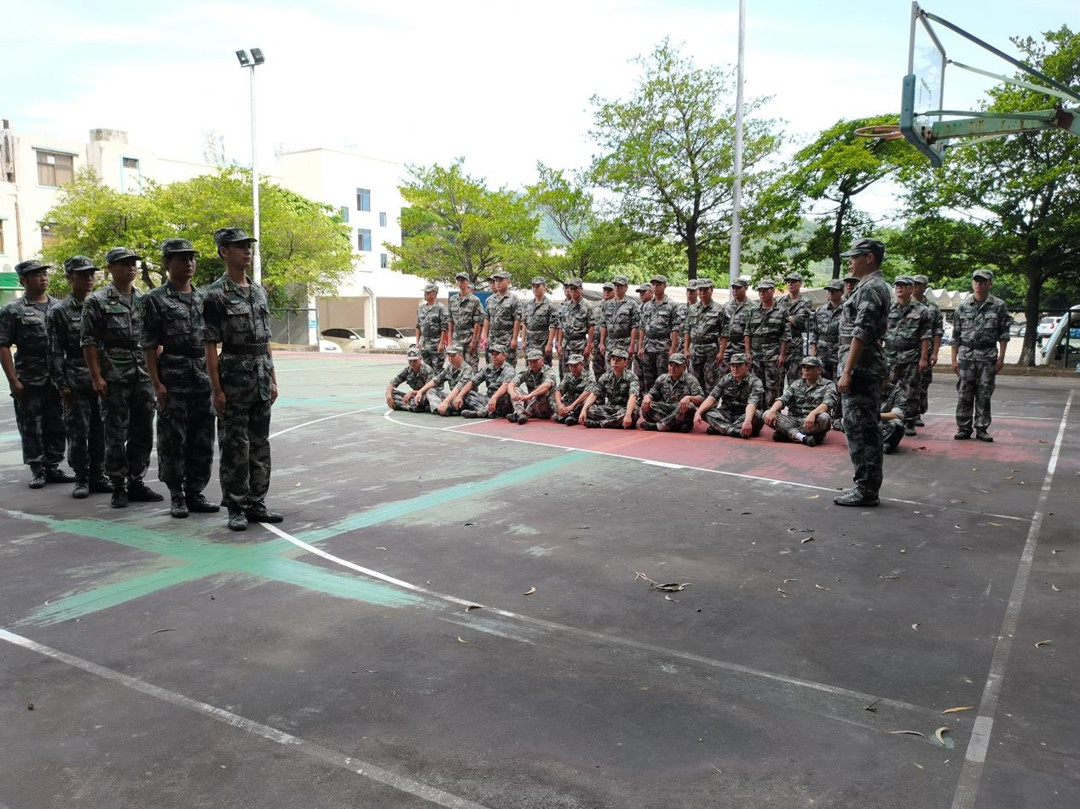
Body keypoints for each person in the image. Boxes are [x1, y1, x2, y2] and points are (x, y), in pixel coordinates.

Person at [203, 228, 281, 531]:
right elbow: (210, 345)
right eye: (239, 246)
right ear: (224, 252)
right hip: (233, 378)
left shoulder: (258, 291)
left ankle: (256, 502)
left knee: (260, 445)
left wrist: (273, 378)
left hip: (260, 376)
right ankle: (236, 506)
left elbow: (266, 340)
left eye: (248, 245)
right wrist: (216, 389)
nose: (247, 251)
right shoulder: (215, 294)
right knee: (235, 446)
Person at [141, 239, 219, 519]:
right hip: (173, 378)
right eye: (181, 258)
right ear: (167, 263)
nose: (189, 263)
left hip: (202, 377)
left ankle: (195, 492)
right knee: (173, 440)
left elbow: (211, 342)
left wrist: (215, 382)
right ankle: (176, 493)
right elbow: (149, 345)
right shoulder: (154, 299)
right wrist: (157, 384)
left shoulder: (204, 298)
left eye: (191, 258)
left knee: (203, 438)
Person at [82, 247, 162, 508]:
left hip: (143, 375)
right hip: (114, 375)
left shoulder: (145, 300)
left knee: (143, 431)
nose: (131, 267)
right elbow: (89, 342)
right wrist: (96, 377)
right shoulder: (97, 301)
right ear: (110, 268)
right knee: (115, 432)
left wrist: (156, 371)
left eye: (133, 263)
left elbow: (155, 337)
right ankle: (118, 485)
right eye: (124, 263)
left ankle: (136, 481)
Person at [0, 259, 72, 489]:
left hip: (57, 376)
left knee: (58, 423)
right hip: (29, 377)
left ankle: (53, 466)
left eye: (45, 274)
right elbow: (3, 345)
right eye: (36, 275)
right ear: (24, 280)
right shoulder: (12, 310)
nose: (43, 278)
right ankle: (37, 468)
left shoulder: (59, 307)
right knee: (31, 424)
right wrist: (13, 380)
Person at [833, 238, 892, 507]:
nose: (850, 262)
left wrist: (847, 371)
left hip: (862, 369)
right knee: (860, 426)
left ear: (869, 258)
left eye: (854, 257)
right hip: (862, 366)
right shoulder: (868, 286)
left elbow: (862, 332)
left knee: (862, 429)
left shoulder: (871, 288)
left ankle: (867, 489)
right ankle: (865, 485)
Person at [47, 257, 111, 498]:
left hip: (103, 376)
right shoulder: (59, 311)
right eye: (83, 274)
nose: (89, 279)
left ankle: (98, 475)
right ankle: (81, 478)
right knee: (78, 430)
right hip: (75, 377)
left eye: (91, 274)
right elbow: (54, 350)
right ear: (69, 277)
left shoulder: (102, 305)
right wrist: (61, 383)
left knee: (100, 429)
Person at [951, 269, 1011, 442]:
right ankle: (964, 427)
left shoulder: (999, 306)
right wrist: (954, 359)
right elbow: (955, 336)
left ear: (990, 284)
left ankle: (982, 428)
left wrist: (1001, 359)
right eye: (976, 280)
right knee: (964, 393)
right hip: (966, 357)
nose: (978, 283)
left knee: (984, 394)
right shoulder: (962, 306)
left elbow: (1004, 335)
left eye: (983, 281)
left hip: (987, 356)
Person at [884, 276, 930, 437]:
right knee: (886, 389)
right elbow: (879, 332)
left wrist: (923, 358)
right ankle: (887, 418)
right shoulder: (887, 308)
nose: (899, 288)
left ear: (911, 289)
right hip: (889, 356)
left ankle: (910, 421)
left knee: (911, 391)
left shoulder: (922, 310)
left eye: (903, 285)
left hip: (911, 356)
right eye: (897, 285)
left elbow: (925, 336)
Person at [762, 356, 837, 446]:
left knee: (825, 418)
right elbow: (783, 399)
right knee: (767, 414)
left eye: (810, 367)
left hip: (813, 421)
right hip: (793, 420)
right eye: (804, 367)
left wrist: (813, 414)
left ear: (819, 370)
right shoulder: (796, 384)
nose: (806, 370)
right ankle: (802, 437)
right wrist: (773, 410)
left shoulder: (828, 384)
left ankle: (787, 433)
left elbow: (827, 403)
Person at [694, 352, 765, 438]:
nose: (735, 368)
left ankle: (721, 428)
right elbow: (712, 398)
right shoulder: (726, 379)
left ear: (747, 366)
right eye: (732, 365)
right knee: (705, 411)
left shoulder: (755, 382)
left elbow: (752, 404)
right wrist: (698, 412)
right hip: (727, 415)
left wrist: (747, 420)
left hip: (744, 416)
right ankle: (733, 431)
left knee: (756, 414)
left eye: (739, 365)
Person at [744, 280, 790, 406]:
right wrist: (747, 352)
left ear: (772, 291)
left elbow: (785, 335)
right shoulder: (753, 310)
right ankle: (757, 410)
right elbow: (747, 332)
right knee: (756, 383)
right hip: (755, 353)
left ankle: (771, 411)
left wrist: (782, 355)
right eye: (760, 291)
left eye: (765, 290)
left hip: (773, 352)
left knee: (773, 383)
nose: (762, 293)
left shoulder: (781, 311)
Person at [638, 353, 704, 432]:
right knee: (646, 405)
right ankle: (675, 426)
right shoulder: (662, 378)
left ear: (684, 367)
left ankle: (658, 426)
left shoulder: (691, 380)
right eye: (670, 365)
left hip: (680, 411)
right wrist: (647, 397)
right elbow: (653, 393)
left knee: (690, 406)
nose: (672, 368)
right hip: (667, 410)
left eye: (676, 366)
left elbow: (701, 398)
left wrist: (689, 398)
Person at [637, 274, 680, 393]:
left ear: (665, 286)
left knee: (663, 378)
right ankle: (649, 400)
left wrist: (673, 348)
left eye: (658, 284)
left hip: (663, 346)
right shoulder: (646, 306)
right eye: (653, 284)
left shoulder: (672, 305)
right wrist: (640, 346)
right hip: (648, 346)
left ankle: (663, 400)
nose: (655, 287)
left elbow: (675, 328)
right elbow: (642, 327)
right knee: (648, 377)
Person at [911, 274, 944, 427]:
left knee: (922, 384)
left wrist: (935, 353)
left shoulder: (932, 308)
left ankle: (917, 413)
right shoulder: (904, 303)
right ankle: (903, 413)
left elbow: (937, 331)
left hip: (925, 351)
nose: (915, 287)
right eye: (913, 284)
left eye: (919, 284)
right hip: (905, 351)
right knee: (902, 385)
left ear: (925, 287)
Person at [682, 277, 725, 392]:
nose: (703, 293)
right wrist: (686, 349)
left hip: (711, 351)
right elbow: (687, 330)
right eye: (700, 290)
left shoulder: (719, 309)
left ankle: (710, 403)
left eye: (706, 290)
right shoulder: (692, 309)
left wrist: (721, 352)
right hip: (695, 350)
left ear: (711, 290)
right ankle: (696, 402)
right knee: (694, 381)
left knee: (711, 381)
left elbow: (725, 333)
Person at [579, 347, 639, 429]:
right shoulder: (605, 376)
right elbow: (594, 394)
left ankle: (600, 424)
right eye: (613, 359)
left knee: (634, 413)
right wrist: (584, 410)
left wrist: (628, 415)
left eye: (618, 360)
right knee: (590, 409)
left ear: (625, 362)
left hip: (625, 408)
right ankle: (616, 422)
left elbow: (633, 396)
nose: (615, 362)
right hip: (610, 408)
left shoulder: (632, 377)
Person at [453, 343, 515, 418]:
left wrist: (494, 398)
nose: (493, 356)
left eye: (497, 354)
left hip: (501, 400)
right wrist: (459, 396)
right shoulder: (487, 368)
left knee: (505, 395)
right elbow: (472, 383)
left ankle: (480, 413)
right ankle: (487, 412)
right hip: (489, 399)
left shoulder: (509, 369)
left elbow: (505, 385)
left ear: (504, 355)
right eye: (492, 354)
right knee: (466, 393)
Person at [556, 278, 594, 378]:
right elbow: (561, 326)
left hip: (579, 345)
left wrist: (589, 346)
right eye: (570, 288)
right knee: (565, 374)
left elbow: (591, 326)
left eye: (575, 288)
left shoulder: (587, 306)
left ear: (581, 289)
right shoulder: (565, 306)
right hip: (566, 345)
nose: (572, 291)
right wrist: (559, 344)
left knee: (582, 374)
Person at [778, 272, 812, 383]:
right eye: (788, 282)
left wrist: (782, 318)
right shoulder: (780, 301)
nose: (790, 284)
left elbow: (799, 320)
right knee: (777, 381)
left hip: (795, 347)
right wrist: (788, 318)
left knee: (795, 381)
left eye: (793, 282)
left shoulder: (806, 301)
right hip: (780, 346)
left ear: (800, 283)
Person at [482, 271, 521, 366]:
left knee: (508, 367)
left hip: (507, 340)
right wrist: (484, 336)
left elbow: (517, 319)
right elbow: (487, 318)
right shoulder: (490, 300)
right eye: (496, 281)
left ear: (508, 282)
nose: (498, 283)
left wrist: (514, 339)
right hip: (493, 340)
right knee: (491, 368)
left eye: (501, 280)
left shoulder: (514, 299)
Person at [447, 272, 484, 373]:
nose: (460, 282)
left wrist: (474, 341)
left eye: (463, 280)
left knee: (471, 365)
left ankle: (471, 384)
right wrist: (450, 339)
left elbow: (477, 322)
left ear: (467, 282)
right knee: (456, 366)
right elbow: (450, 320)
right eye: (458, 280)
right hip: (456, 339)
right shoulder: (452, 299)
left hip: (469, 338)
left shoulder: (474, 300)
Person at [417, 345, 469, 415]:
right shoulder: (450, 367)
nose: (450, 358)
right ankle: (439, 409)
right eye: (449, 356)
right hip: (452, 397)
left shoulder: (467, 369)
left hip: (463, 399)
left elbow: (458, 388)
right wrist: (420, 391)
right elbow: (436, 380)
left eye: (453, 356)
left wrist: (445, 402)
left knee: (426, 404)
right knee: (430, 391)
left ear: (461, 355)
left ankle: (441, 408)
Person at [508, 348, 557, 423]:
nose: (532, 364)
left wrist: (529, 396)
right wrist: (513, 393)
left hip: (544, 407)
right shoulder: (527, 371)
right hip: (531, 404)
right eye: (530, 362)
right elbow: (512, 383)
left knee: (543, 392)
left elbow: (546, 386)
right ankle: (519, 413)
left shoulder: (549, 371)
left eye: (535, 361)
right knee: (515, 389)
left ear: (542, 360)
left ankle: (524, 414)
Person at [600, 275, 640, 364]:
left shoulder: (632, 304)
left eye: (620, 285)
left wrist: (632, 345)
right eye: (615, 285)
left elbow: (635, 326)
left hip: (624, 343)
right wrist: (602, 343)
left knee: (624, 369)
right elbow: (603, 325)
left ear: (626, 288)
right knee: (610, 369)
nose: (617, 288)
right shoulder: (607, 304)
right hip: (610, 343)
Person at [810, 280, 844, 381]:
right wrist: (813, 351)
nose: (831, 293)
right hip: (822, 354)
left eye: (834, 290)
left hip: (839, 353)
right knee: (822, 383)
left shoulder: (847, 310)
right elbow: (815, 332)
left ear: (841, 292)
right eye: (829, 290)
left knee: (839, 383)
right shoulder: (820, 310)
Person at [718, 276, 752, 376]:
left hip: (742, 349)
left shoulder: (753, 307)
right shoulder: (725, 307)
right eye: (733, 288)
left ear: (746, 288)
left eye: (738, 288)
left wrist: (748, 351)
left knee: (742, 377)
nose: (735, 290)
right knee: (724, 377)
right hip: (727, 349)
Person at [521, 277, 557, 366]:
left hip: (543, 343)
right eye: (533, 286)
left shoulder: (550, 306)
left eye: (538, 286)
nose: (535, 288)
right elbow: (525, 323)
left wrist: (549, 344)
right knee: (530, 367)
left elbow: (553, 326)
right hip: (530, 343)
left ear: (544, 287)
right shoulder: (527, 305)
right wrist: (523, 340)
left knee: (544, 367)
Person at [385, 347, 434, 411]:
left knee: (424, 398)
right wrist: (389, 397)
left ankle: (408, 406)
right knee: (391, 393)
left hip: (425, 396)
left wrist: (412, 392)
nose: (412, 363)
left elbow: (429, 390)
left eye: (415, 360)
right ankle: (410, 407)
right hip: (413, 397)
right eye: (410, 361)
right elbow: (392, 383)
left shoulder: (428, 370)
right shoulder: (407, 370)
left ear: (420, 359)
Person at [415, 283, 448, 373]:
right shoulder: (420, 308)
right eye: (425, 292)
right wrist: (417, 342)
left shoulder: (441, 308)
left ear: (434, 294)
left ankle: (437, 383)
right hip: (424, 345)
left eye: (427, 292)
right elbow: (418, 326)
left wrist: (441, 343)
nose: (425, 294)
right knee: (426, 370)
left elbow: (444, 327)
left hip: (436, 344)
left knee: (437, 371)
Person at [554, 353, 594, 425]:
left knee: (588, 402)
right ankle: (570, 416)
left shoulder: (589, 375)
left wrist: (572, 406)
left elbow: (587, 392)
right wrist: (559, 405)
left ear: (582, 365)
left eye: (575, 366)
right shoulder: (568, 376)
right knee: (553, 401)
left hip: (580, 402)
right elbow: (559, 390)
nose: (572, 368)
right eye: (570, 366)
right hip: (569, 402)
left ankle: (571, 415)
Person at [878, 378, 907, 455]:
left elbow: (897, 415)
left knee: (897, 423)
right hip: (867, 423)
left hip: (883, 425)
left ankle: (885, 441)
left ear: (888, 379)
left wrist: (873, 416)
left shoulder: (897, 392)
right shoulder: (867, 389)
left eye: (881, 380)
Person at [593, 281, 615, 379]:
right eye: (605, 290)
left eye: (609, 290)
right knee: (597, 369)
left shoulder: (616, 305)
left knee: (610, 369)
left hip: (611, 342)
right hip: (597, 342)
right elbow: (591, 324)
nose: (607, 292)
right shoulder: (596, 306)